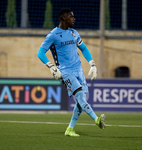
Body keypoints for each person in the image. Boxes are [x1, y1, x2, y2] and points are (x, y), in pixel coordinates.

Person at [37, 8, 105, 137]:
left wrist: (92, 64)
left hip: (78, 69)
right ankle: (96, 119)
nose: (74, 19)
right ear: (63, 18)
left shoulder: (74, 33)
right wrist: (51, 67)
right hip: (65, 71)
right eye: (71, 17)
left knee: (82, 99)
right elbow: (40, 53)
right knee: (80, 96)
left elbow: (84, 48)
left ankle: (70, 129)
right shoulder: (53, 35)